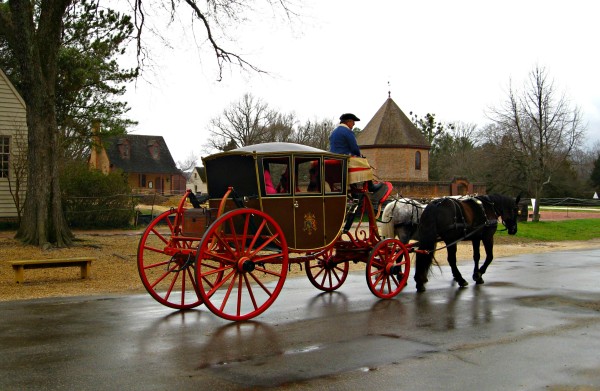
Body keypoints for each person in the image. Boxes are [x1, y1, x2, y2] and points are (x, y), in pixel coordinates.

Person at [329, 113, 382, 193]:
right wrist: (359, 156)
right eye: (353, 122)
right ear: (348, 122)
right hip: (343, 159)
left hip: (332, 158)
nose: (353, 124)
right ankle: (370, 186)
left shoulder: (334, 132)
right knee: (364, 162)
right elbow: (354, 148)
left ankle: (354, 187)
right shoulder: (347, 132)